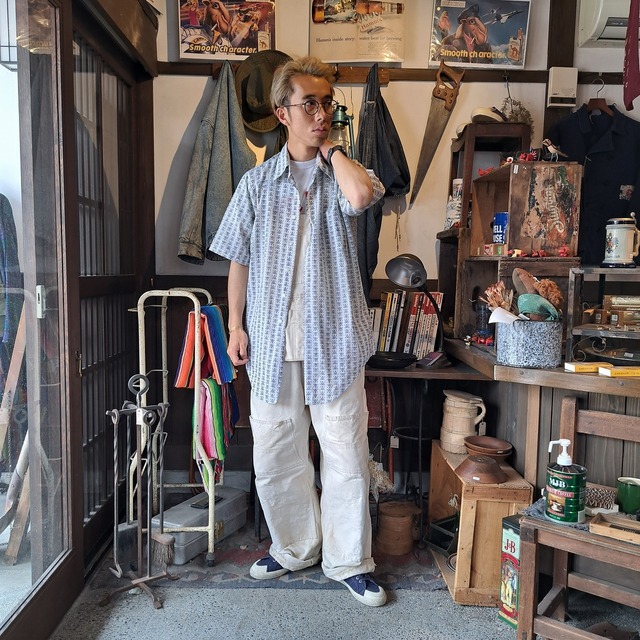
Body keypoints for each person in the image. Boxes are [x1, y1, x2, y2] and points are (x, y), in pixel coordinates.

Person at [210, 55, 387, 607]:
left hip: (334, 338)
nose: (321, 112)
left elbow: (362, 198)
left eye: (327, 103)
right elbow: (237, 258)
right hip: (271, 341)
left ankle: (348, 561)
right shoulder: (256, 184)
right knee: (276, 452)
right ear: (281, 113)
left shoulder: (344, 174)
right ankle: (294, 548)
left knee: (345, 452)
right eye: (308, 103)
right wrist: (234, 326)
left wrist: (332, 150)